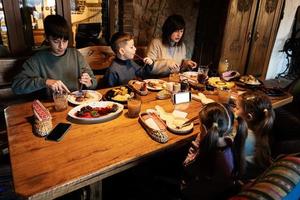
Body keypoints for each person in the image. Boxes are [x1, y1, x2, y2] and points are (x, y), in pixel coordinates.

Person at [12, 14, 97, 98]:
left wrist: (89, 82)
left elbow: (94, 81)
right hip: (53, 105)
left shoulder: (76, 55)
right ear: (46, 38)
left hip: (78, 102)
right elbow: (16, 86)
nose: (61, 46)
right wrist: (45, 82)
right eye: (56, 41)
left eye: (65, 41)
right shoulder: (37, 60)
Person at [181, 102, 247, 200]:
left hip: (200, 194)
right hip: (222, 191)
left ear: (203, 129)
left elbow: (186, 165)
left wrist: (197, 143)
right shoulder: (233, 145)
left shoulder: (207, 153)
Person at [235, 91, 275, 180]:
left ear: (249, 117)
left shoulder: (243, 136)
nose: (234, 110)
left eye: (237, 108)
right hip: (256, 176)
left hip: (243, 180)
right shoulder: (261, 132)